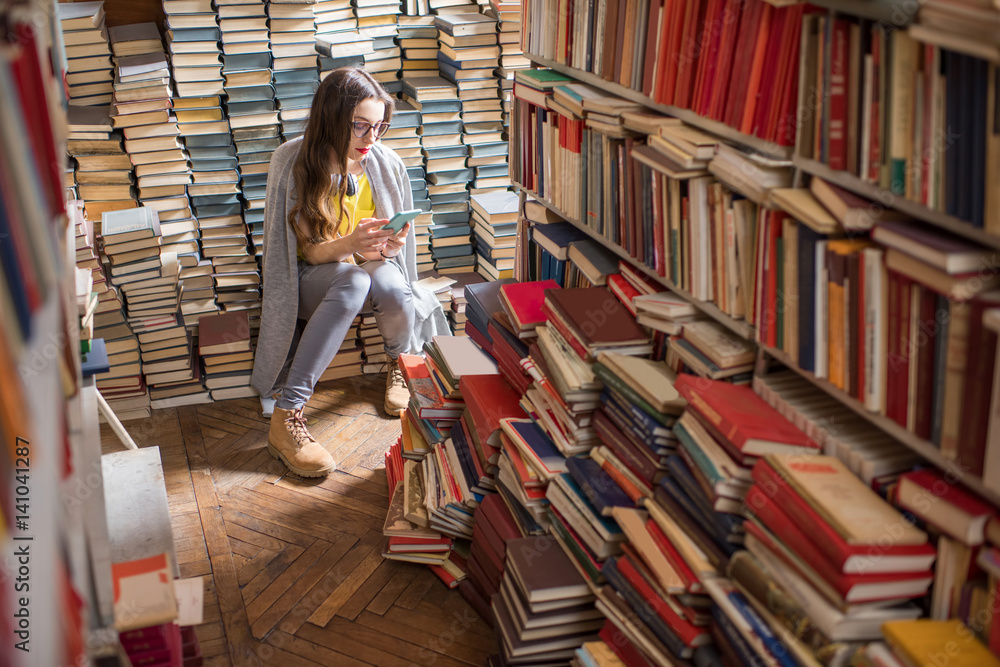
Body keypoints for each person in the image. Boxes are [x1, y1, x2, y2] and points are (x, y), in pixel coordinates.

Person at [251, 67, 449, 477]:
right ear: (331, 118)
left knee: (393, 284)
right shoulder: (292, 161)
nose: (371, 139)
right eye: (360, 126)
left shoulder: (383, 162)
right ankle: (287, 416)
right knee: (354, 279)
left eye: (379, 126)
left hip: (359, 265)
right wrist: (350, 247)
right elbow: (305, 253)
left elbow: (381, 250)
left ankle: (400, 362)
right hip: (313, 277)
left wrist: (388, 245)